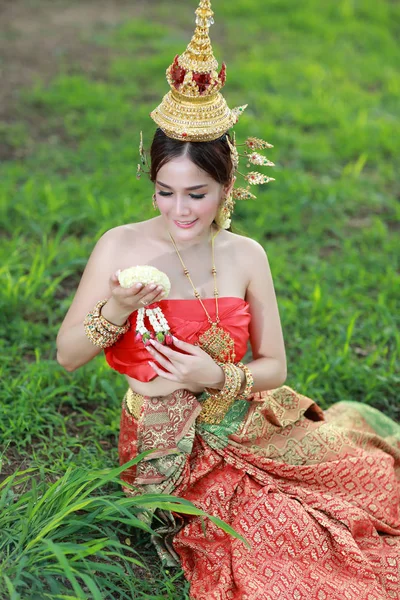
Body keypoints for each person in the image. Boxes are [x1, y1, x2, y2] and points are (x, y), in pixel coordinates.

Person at [56, 2, 400, 598]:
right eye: (166, 191)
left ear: (228, 185)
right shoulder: (119, 247)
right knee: (283, 546)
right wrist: (114, 308)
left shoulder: (247, 256)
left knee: (365, 482)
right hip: (169, 446)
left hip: (248, 418)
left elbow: (276, 367)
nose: (181, 210)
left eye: (198, 193)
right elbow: (66, 355)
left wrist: (216, 373)